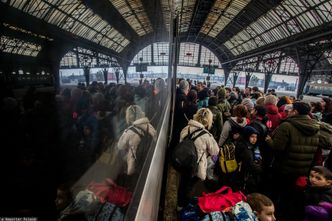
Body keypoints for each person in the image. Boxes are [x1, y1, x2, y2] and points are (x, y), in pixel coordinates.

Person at [265, 101, 321, 221]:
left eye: (290, 110)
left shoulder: (287, 126)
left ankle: (274, 216)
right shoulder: (315, 127)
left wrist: (269, 140)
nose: (288, 112)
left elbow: (278, 147)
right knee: (290, 197)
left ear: (295, 111)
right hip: (303, 170)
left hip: (283, 168)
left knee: (276, 195)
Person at [177, 108, 219, 210]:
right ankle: (184, 206)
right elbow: (215, 151)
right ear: (208, 120)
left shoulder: (186, 129)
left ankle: (180, 203)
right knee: (190, 186)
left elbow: (181, 142)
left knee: (183, 183)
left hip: (184, 161)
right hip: (196, 166)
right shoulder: (207, 136)